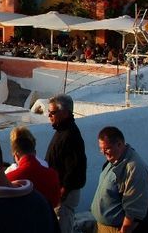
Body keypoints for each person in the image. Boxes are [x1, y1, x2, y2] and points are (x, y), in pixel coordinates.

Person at [91, 127, 148, 233]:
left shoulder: (134, 168)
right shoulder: (115, 159)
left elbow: (134, 212)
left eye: (107, 148)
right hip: (104, 227)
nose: (103, 153)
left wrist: (124, 230)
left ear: (120, 144)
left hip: (118, 228)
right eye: (101, 149)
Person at [45, 94, 87, 233]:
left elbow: (74, 169)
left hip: (64, 197)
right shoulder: (62, 131)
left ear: (65, 112)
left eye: (52, 112)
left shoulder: (70, 135)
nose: (49, 116)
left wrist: (62, 194)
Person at [5, 126, 61, 209]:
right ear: (34, 151)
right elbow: (56, 202)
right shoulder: (52, 173)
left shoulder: (8, 176)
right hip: (46, 219)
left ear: (16, 155)